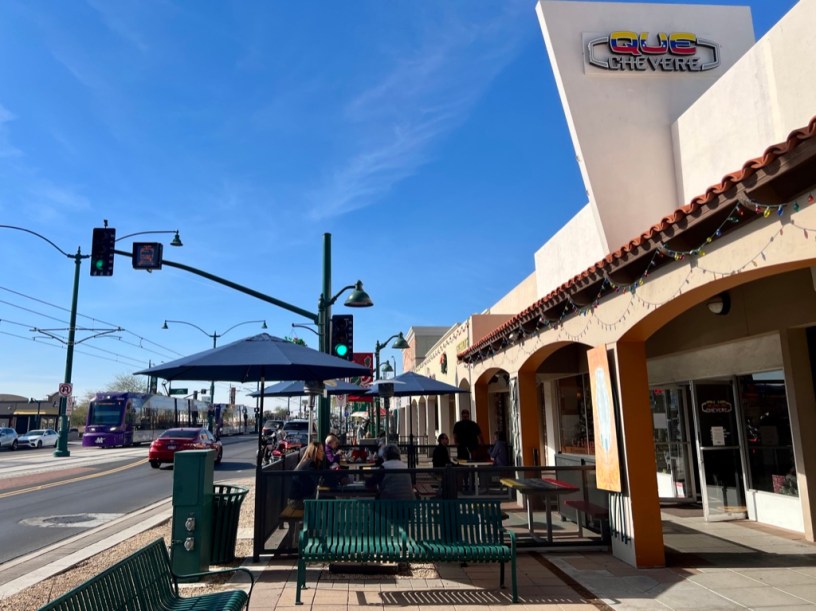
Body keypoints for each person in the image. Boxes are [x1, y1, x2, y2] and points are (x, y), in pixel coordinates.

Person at [287, 441, 325, 509]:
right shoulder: (310, 465)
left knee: (324, 501)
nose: (323, 453)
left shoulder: (307, 462)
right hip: (297, 501)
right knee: (325, 504)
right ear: (315, 452)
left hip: (296, 499)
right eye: (321, 451)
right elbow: (311, 486)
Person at [453, 409, 482, 493]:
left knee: (471, 468)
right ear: (462, 415)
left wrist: (481, 445)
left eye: (466, 415)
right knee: (464, 469)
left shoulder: (472, 424)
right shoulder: (459, 425)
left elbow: (479, 435)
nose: (465, 416)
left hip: (472, 449)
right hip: (464, 449)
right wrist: (456, 443)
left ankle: (470, 486)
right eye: (464, 415)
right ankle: (465, 486)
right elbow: (455, 435)